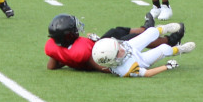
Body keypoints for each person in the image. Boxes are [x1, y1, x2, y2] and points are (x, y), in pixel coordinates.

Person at [45, 13, 184, 72]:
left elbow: (51, 66)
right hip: (105, 52)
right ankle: (170, 41)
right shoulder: (81, 51)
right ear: (69, 35)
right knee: (129, 38)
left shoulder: (57, 47)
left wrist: (66, 59)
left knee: (115, 31)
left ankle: (145, 28)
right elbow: (101, 66)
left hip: (98, 46)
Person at [91, 27, 195, 77]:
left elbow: (110, 48)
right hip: (140, 60)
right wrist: (166, 66)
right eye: (118, 52)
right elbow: (147, 73)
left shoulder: (119, 49)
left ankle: (164, 28)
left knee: (150, 33)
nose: (121, 49)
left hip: (130, 47)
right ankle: (178, 50)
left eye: (118, 46)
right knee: (164, 48)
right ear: (112, 62)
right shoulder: (125, 69)